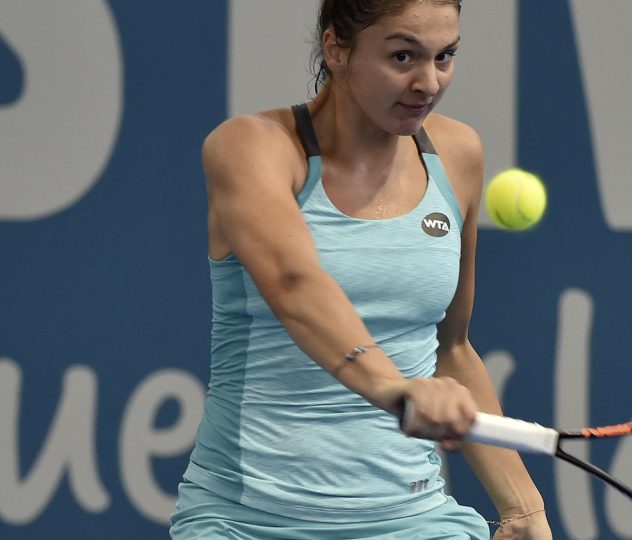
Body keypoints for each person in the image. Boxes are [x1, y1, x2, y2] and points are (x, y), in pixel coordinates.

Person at [169, 0, 551, 538]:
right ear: (337, 49)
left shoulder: (458, 153)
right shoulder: (251, 146)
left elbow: (451, 350)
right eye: (402, 56)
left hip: (414, 520)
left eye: (445, 57)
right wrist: (395, 389)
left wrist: (524, 508)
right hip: (247, 519)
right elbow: (293, 283)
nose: (428, 82)